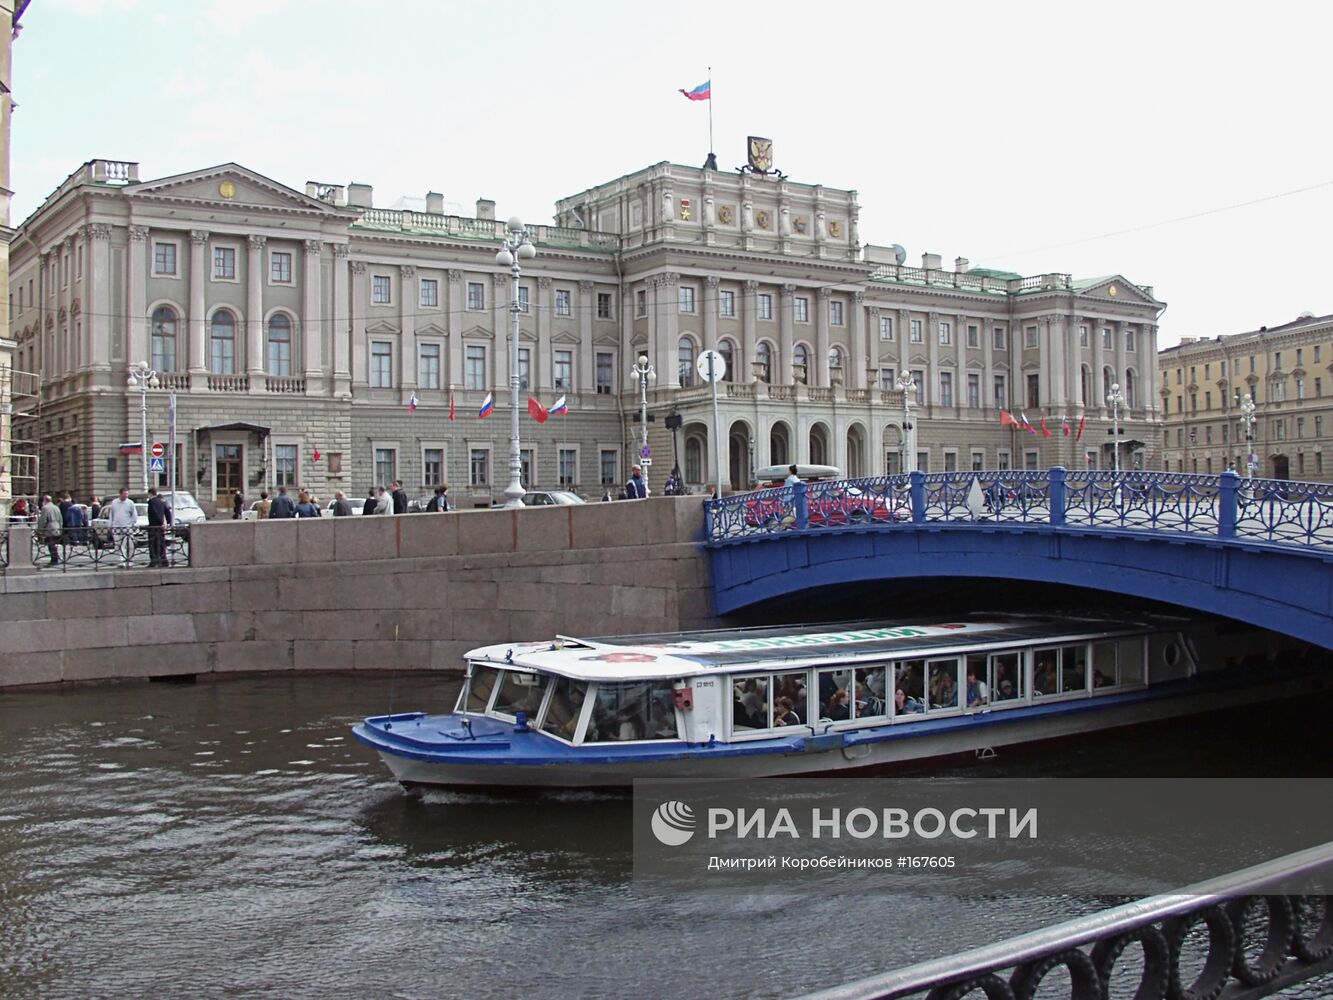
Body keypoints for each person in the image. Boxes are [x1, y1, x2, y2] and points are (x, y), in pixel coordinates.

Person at [106, 488, 138, 563]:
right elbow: (112, 515)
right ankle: (121, 560)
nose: (126, 496)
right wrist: (110, 525)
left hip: (127, 526)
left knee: (130, 544)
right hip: (116, 526)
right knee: (118, 545)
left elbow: (134, 514)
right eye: (124, 494)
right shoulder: (114, 502)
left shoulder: (130, 503)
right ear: (120, 494)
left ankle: (130, 559)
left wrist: (133, 523)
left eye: (127, 494)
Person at [146, 486, 172, 567]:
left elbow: (154, 513)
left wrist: (160, 522)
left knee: (152, 544)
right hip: (161, 528)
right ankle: (164, 560)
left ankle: (154, 561)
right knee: (161, 543)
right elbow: (168, 512)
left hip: (153, 526)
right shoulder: (162, 502)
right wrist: (168, 522)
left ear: (150, 493)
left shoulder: (151, 502)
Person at [36, 493, 63, 566]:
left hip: (50, 527)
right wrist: (60, 527)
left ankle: (54, 559)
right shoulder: (56, 507)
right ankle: (55, 558)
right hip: (57, 527)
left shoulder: (45, 508)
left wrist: (39, 529)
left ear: (45, 500)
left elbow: (43, 520)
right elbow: (61, 518)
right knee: (54, 544)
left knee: (50, 544)